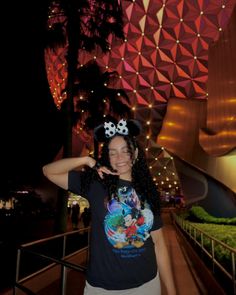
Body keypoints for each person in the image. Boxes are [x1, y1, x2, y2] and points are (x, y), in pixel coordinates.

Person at [42, 118, 176, 295]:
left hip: (146, 285)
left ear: (135, 154)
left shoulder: (147, 191)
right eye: (113, 153)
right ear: (107, 157)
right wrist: (86, 160)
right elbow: (48, 171)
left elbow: (159, 244)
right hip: (102, 288)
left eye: (124, 151)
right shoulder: (96, 184)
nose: (119, 158)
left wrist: (172, 291)